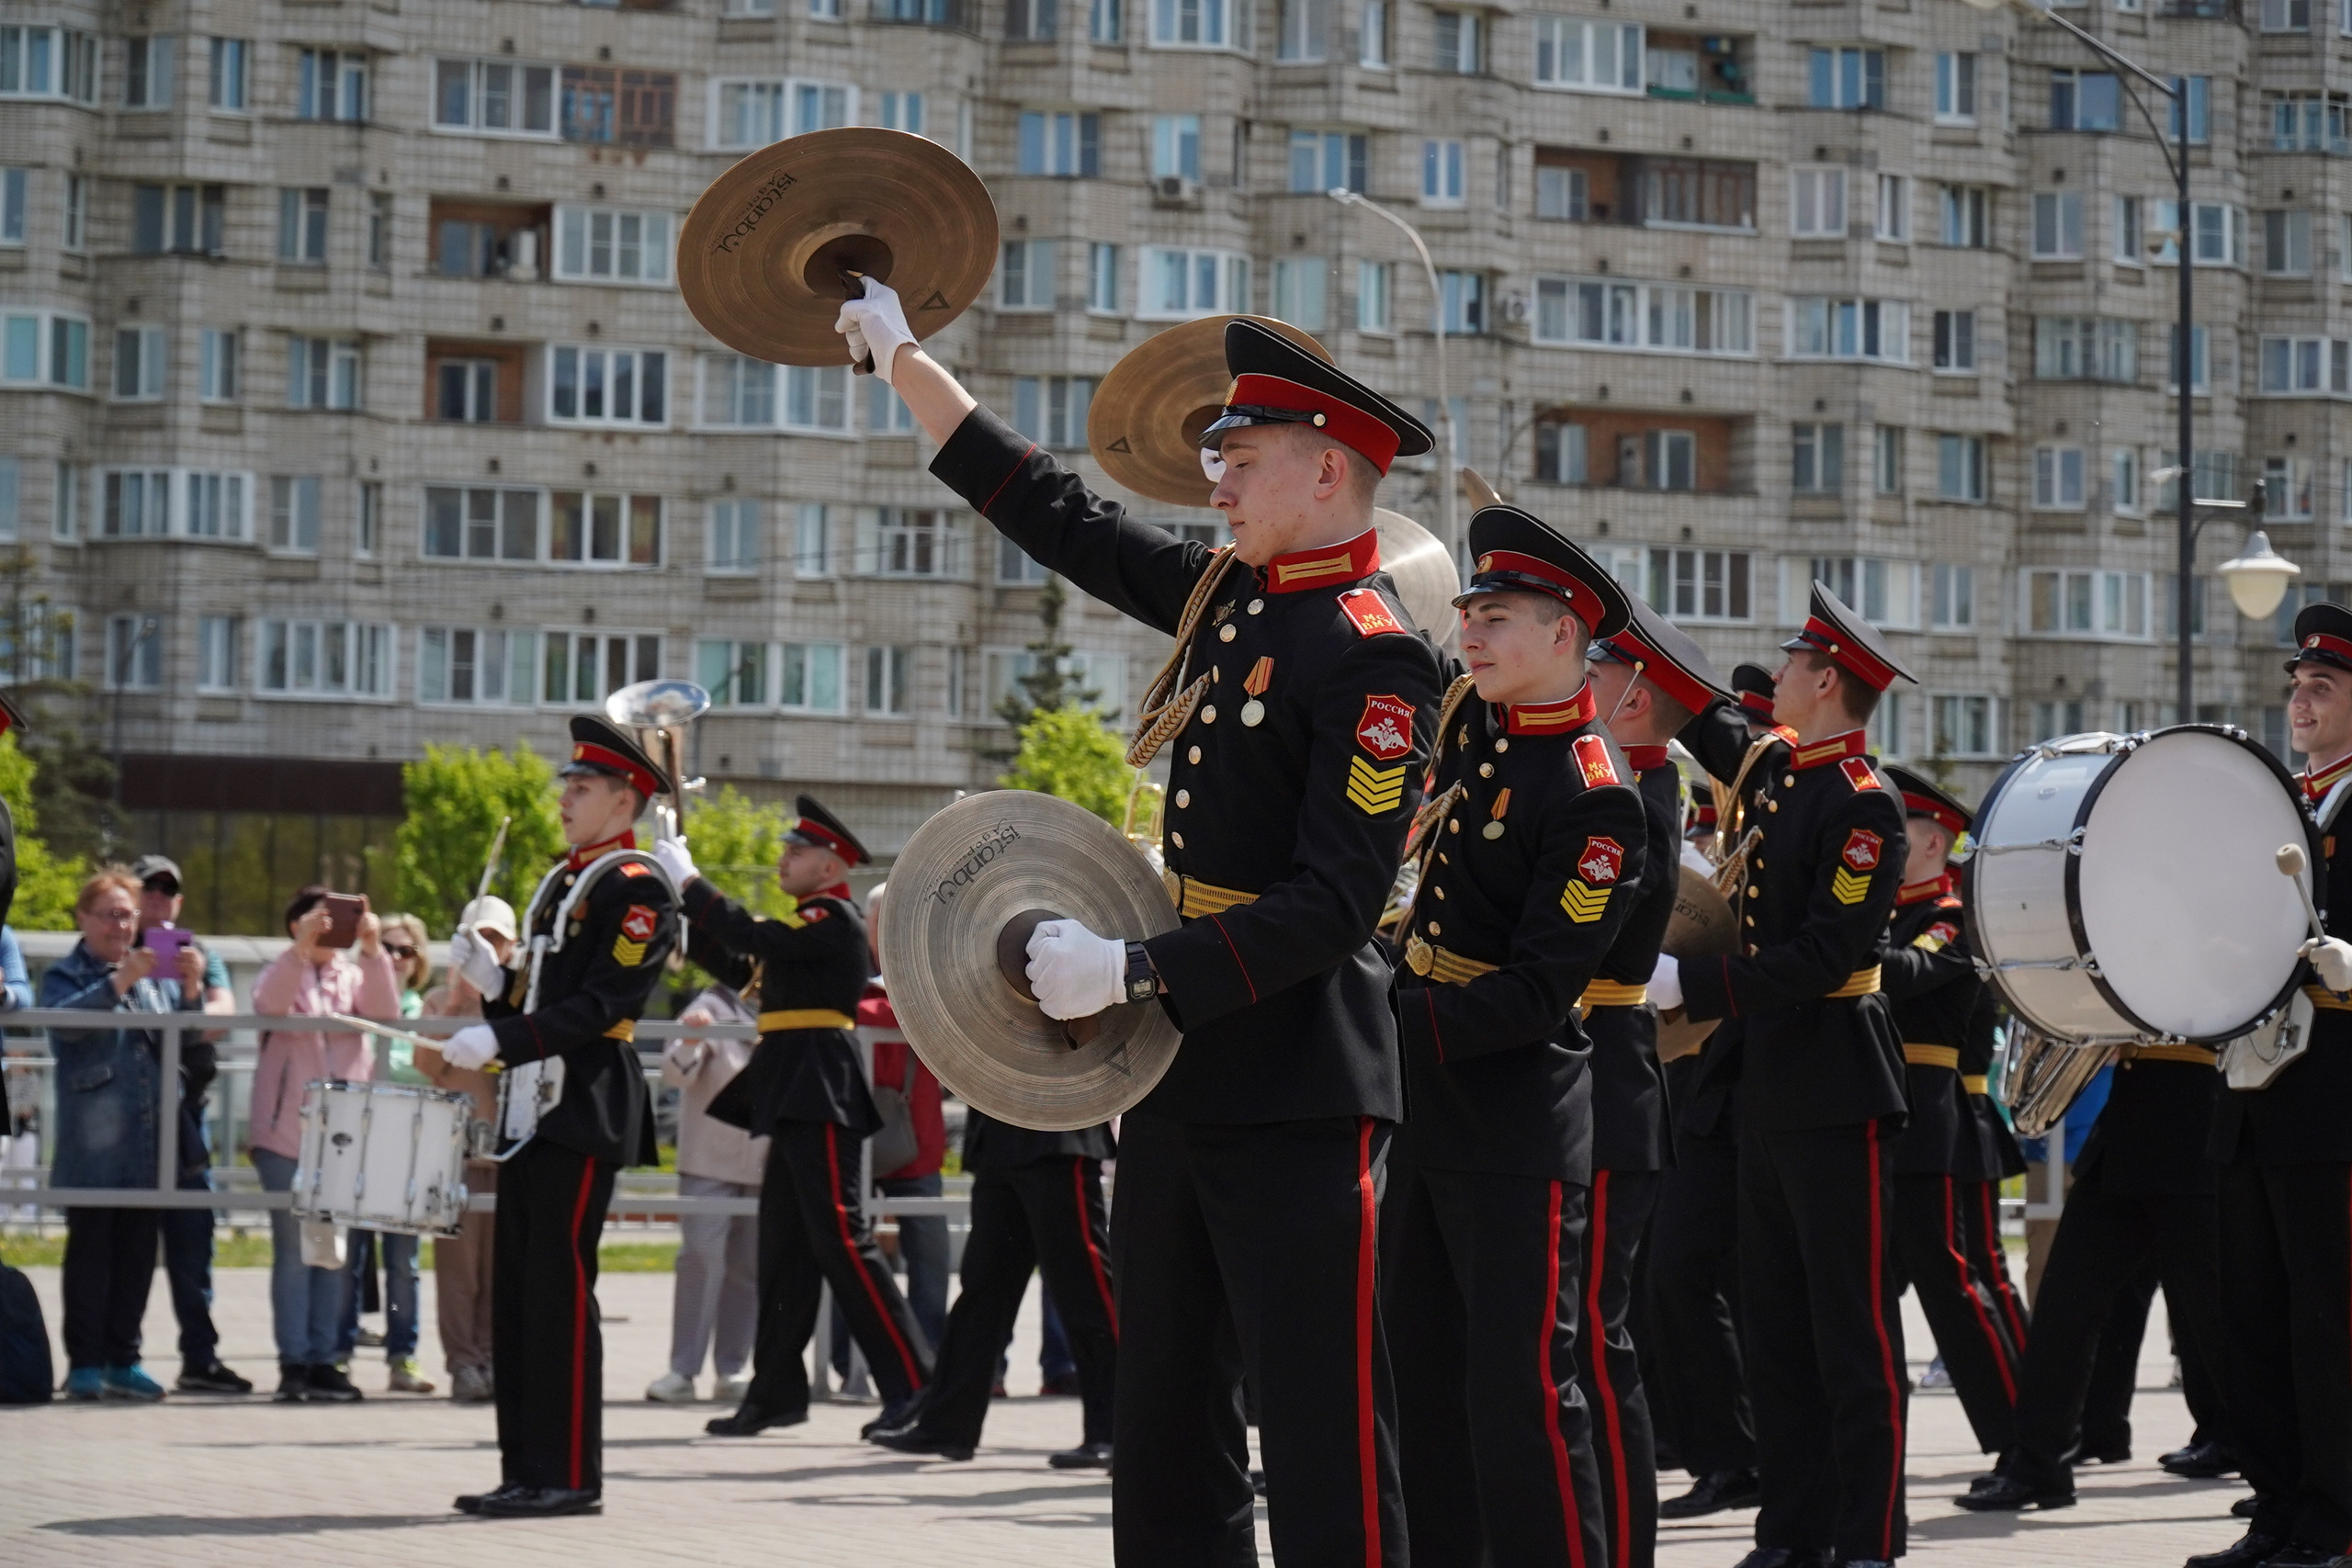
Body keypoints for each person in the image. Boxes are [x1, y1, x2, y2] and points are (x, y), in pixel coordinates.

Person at [842, 285, 1442, 1560]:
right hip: (1183, 1070)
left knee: (1322, 1424)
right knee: (1167, 1420)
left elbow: (1335, 906)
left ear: (1327, 469)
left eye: (1241, 458)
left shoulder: (1378, 655)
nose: (1215, 483)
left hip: (1298, 1082)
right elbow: (1066, 519)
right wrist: (906, 362)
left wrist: (1133, 967)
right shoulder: (1235, 599)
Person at [1380, 508, 1647, 1566]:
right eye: (1469, 615)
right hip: (1429, 1111)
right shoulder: (1482, 743)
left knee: (1522, 1399)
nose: (1470, 635)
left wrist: (1376, 1022)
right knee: (1424, 1388)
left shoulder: (1592, 793)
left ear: (1562, 635)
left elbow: (1536, 994)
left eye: (1495, 618)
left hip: (1512, 1128)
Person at [1649, 583, 1917, 1568]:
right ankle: (1791, 1535)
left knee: (1851, 1332)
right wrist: (1614, 614)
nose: (1780, 672)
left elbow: (1823, 956)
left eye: (1796, 662)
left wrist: (1692, 982)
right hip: (1765, 1081)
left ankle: (1867, 1539)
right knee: (1776, 1329)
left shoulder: (1862, 803)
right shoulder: (1781, 772)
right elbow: (1705, 714)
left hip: (1836, 1081)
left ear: (1828, 681)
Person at [435, 716, 679, 1518]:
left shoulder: (637, 887)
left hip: (582, 1102)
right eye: (567, 785)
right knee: (519, 1295)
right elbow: (540, 992)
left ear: (624, 800)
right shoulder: (563, 880)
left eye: (582, 787)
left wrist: (500, 1036)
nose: (566, 798)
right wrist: (495, 983)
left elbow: (603, 1004)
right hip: (531, 1105)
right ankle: (526, 1468)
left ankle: (569, 1472)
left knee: (560, 1293)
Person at [655, 796, 933, 1438]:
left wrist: (693, 883)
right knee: (785, 1249)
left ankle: (913, 1383)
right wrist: (680, 904)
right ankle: (776, 1392)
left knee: (844, 1240)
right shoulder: (804, 927)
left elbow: (754, 938)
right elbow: (740, 964)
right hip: (793, 1092)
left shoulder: (832, 919)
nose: (783, 858)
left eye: (796, 851)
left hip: (819, 1092)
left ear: (831, 865)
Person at [2183, 600, 2352, 1568]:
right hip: (2250, 1094)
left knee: (2328, 1322)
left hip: (2332, 1099)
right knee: (2249, 1322)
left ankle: (2336, 1521)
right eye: (2297, 686)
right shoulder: (2278, 804)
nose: (2301, 700)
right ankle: (2279, 1511)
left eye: (2322, 686)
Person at [1582, 590, 1736, 1568]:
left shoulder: (1631, 806)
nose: (1577, 682)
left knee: (1592, 1345)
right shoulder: (1607, 786)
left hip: (1602, 1091)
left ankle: (1621, 1542)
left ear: (1634, 698)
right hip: (1582, 1090)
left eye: (1593, 671)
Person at [1952, 1039, 2233, 1517]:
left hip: (2192, 1119)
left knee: (2219, 1313)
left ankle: (2283, 1475)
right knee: (2064, 1304)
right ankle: (2039, 1464)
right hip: (2128, 1117)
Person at [1645, 664, 1791, 1522]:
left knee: (1734, 1283)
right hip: (1703, 1083)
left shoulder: (1797, 806)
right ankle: (1729, 1453)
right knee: (1682, 1277)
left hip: (1757, 1075)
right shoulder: (1727, 824)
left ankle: (1755, 1457)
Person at [1875, 767, 2022, 1460]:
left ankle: (2021, 1438)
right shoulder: (1885, 915)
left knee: (1953, 1282)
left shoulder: (1951, 917)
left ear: (1934, 842)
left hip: (1927, 1117)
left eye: (1896, 829)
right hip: (1878, 1113)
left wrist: (1837, 942)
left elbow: (1908, 973)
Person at [868, 1099, 1118, 1467]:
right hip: (1000, 1132)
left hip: (1057, 1131)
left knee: (1085, 1287)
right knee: (982, 1291)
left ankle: (1115, 1431)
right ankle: (947, 1426)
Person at [45, 866, 209, 1401]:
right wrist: (119, 982)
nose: (120, 925)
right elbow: (63, 1025)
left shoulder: (153, 974)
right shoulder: (66, 973)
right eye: (109, 915)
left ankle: (123, 1359)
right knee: (90, 1255)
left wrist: (190, 988)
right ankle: (85, 1364)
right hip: (92, 1145)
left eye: (128, 915)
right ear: (82, 918)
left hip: (148, 1139)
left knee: (138, 1256)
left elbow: (184, 1041)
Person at [250, 884, 399, 1404]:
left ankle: (324, 1360)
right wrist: (300, 951)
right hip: (284, 1135)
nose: (330, 926)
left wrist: (373, 950)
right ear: (296, 924)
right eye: (319, 917)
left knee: (333, 1252)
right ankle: (293, 1362)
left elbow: (386, 1012)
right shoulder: (278, 968)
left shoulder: (353, 973)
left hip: (343, 1136)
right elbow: (269, 1004)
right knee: (295, 1252)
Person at [127, 853, 249, 1396]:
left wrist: (192, 988)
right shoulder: (116, 948)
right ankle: (119, 1357)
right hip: (127, 1123)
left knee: (192, 1248)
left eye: (167, 889)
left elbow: (221, 1019)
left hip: (185, 1123)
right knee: (129, 1249)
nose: (157, 896)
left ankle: (200, 1359)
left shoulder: (199, 955)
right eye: (147, 887)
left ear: (179, 901)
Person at [646, 979, 765, 1405]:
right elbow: (675, 1073)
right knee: (700, 1259)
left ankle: (732, 1369)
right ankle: (683, 1370)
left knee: (747, 1268)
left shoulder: (786, 1005)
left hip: (763, 1161)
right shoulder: (710, 1004)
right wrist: (693, 1039)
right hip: (708, 1160)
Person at [418, 895, 515, 1404]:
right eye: (479, 938)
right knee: (459, 1269)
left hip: (510, 1151)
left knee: (501, 1267)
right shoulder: (440, 1000)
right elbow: (427, 1066)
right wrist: (455, 1007)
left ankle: (494, 1355)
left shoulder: (520, 1000)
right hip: (455, 1151)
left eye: (496, 939)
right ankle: (463, 1361)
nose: (488, 947)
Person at [336, 909, 435, 1393]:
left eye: (405, 950)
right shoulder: (356, 1000)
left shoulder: (426, 1010)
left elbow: (420, 1069)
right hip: (355, 1141)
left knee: (402, 1263)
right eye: (387, 948)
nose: (395, 958)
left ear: (419, 961)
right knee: (349, 1257)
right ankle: (338, 1355)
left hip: (406, 1145)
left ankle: (403, 1358)